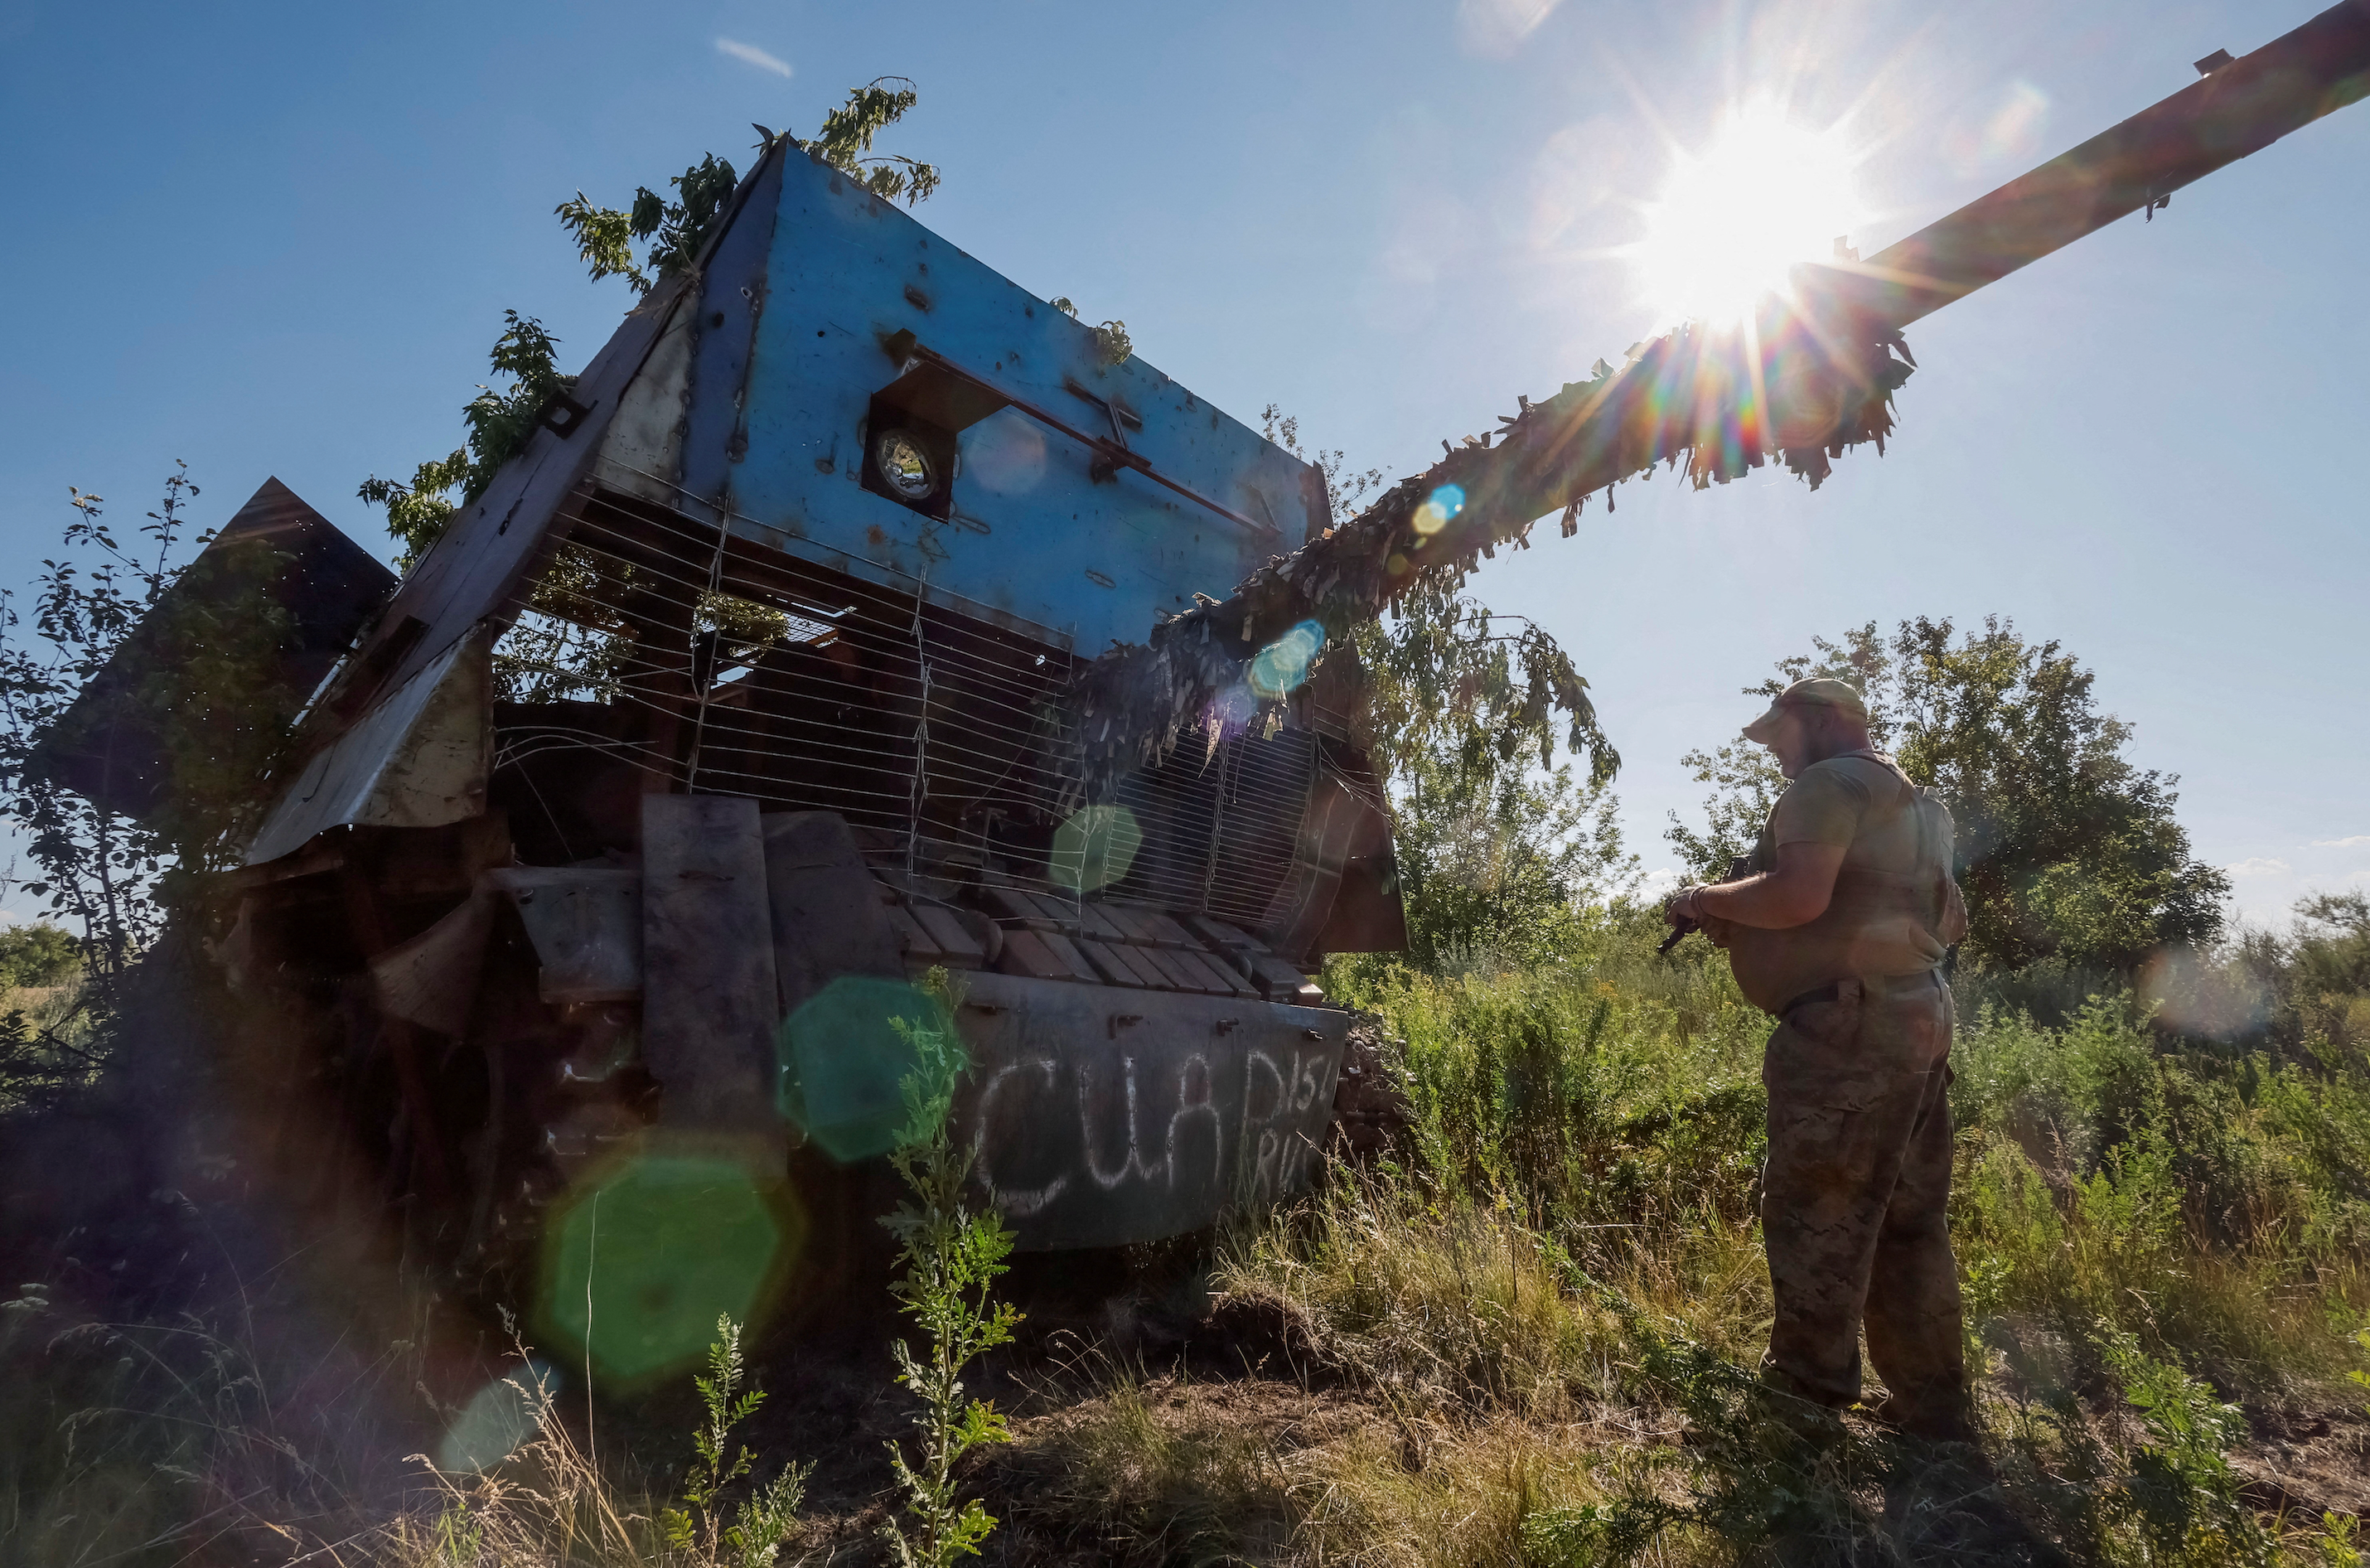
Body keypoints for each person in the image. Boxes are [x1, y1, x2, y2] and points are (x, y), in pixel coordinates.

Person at [1664, 675, 1974, 1442]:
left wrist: (1707, 898)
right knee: (1908, 1217)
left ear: (1825, 722)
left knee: (1818, 1211)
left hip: (1849, 1029)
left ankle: (1800, 1411)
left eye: (1780, 737)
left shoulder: (1826, 785)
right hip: (1917, 1012)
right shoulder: (1919, 804)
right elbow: (1953, 917)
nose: (1775, 755)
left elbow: (1798, 895)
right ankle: (1932, 1409)